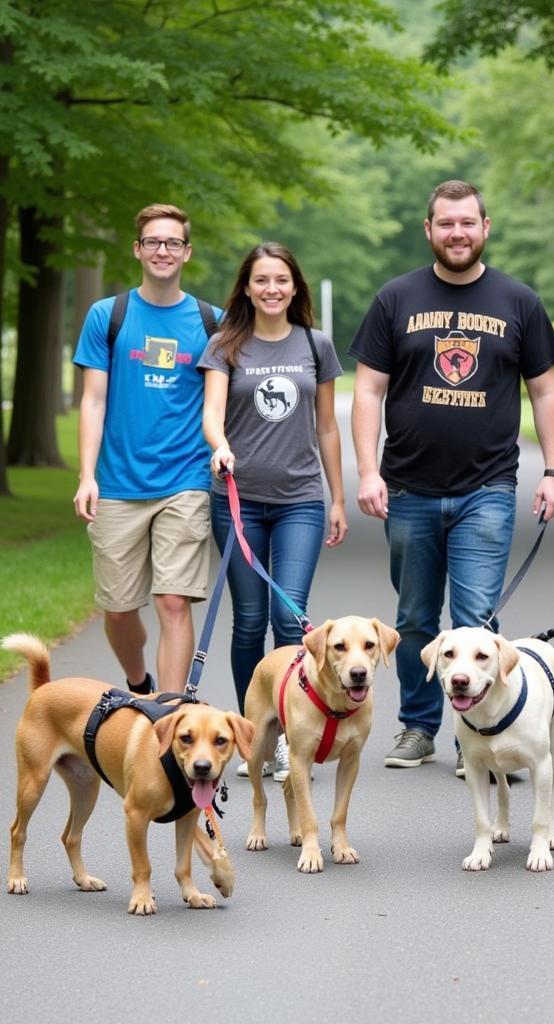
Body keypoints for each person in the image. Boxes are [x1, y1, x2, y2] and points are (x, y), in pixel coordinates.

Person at [350, 179, 554, 773]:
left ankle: (477, 736)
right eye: (446, 223)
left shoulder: (518, 301)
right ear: (429, 230)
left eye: (467, 222)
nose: (457, 233)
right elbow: (368, 389)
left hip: (488, 487)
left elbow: (545, 391)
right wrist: (367, 471)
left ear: (485, 227)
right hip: (409, 488)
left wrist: (553, 471)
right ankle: (419, 728)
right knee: (417, 618)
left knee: (477, 622)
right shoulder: (395, 297)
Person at [200, 242, 346, 782]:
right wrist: (219, 445)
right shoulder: (226, 345)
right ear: (246, 287)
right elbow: (212, 413)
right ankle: (251, 731)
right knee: (250, 622)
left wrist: (337, 499)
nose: (271, 289)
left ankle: (289, 734)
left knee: (290, 618)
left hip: (301, 500)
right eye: (261, 280)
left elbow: (327, 426)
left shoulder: (316, 344)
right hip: (238, 501)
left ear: (295, 287)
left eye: (281, 280)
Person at [73, 203, 219, 695]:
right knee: (118, 609)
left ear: (187, 252)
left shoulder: (210, 322)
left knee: (174, 602)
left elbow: (220, 406)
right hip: (117, 484)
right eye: (153, 242)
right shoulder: (107, 316)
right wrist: (86, 475)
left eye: (172, 242)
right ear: (138, 250)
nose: (162, 250)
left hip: (185, 481)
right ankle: (139, 683)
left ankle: (170, 712)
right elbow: (93, 401)